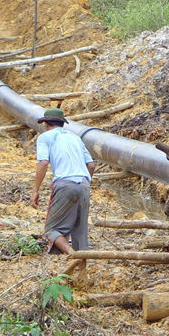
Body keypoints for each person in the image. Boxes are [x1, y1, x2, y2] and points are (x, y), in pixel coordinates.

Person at [31, 108, 95, 283]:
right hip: (83, 183)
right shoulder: (75, 138)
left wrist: (35, 190)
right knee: (80, 231)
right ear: (62, 123)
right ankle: (83, 275)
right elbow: (90, 165)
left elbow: (43, 162)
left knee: (51, 230)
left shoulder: (45, 138)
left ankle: (72, 255)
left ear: (45, 124)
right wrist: (85, 182)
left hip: (64, 184)